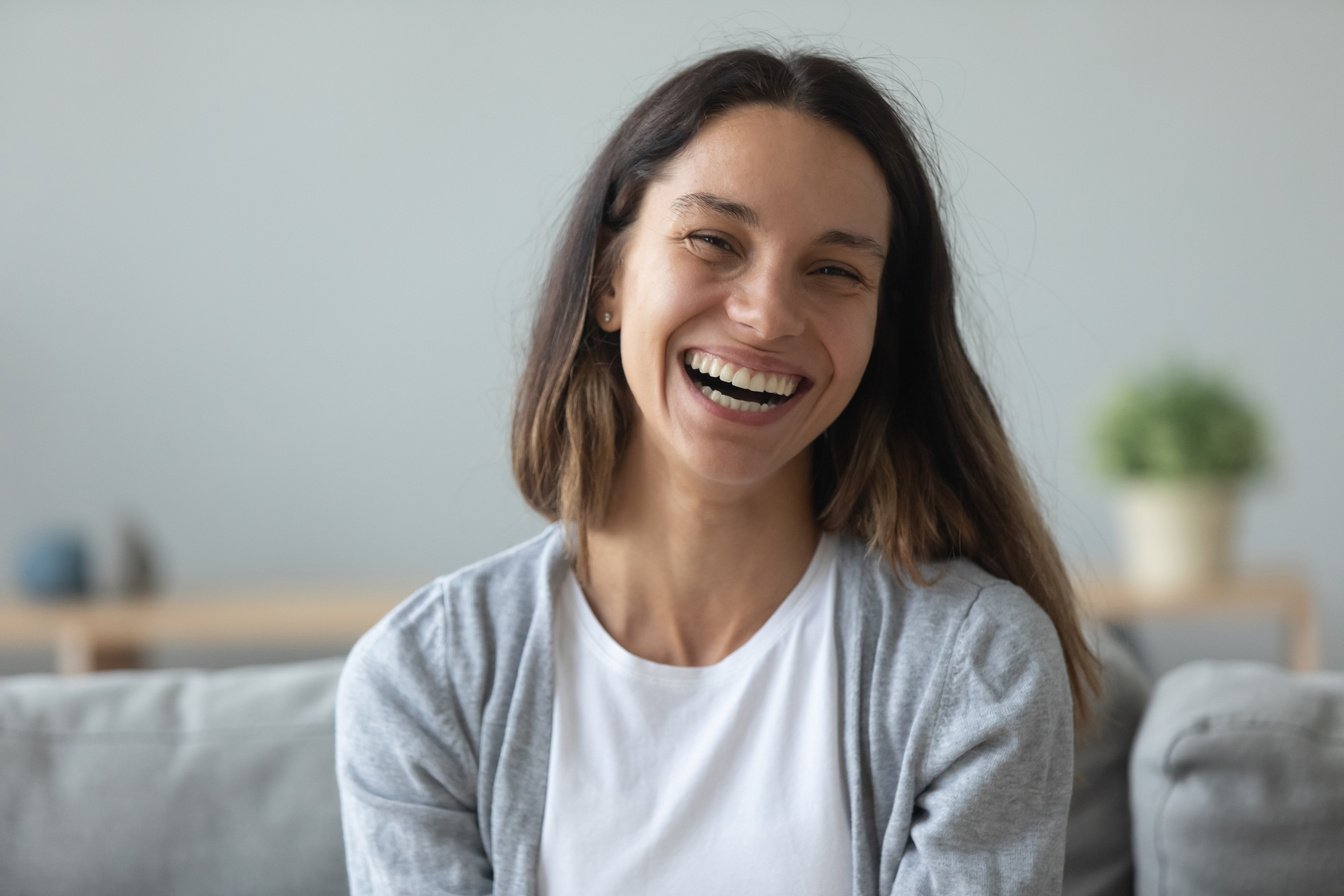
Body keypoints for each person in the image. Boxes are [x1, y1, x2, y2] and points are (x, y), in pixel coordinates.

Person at [336, 46, 1099, 895]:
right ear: (608, 278)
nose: (768, 315)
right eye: (713, 241)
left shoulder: (976, 666)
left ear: (881, 328)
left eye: (835, 271)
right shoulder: (425, 678)